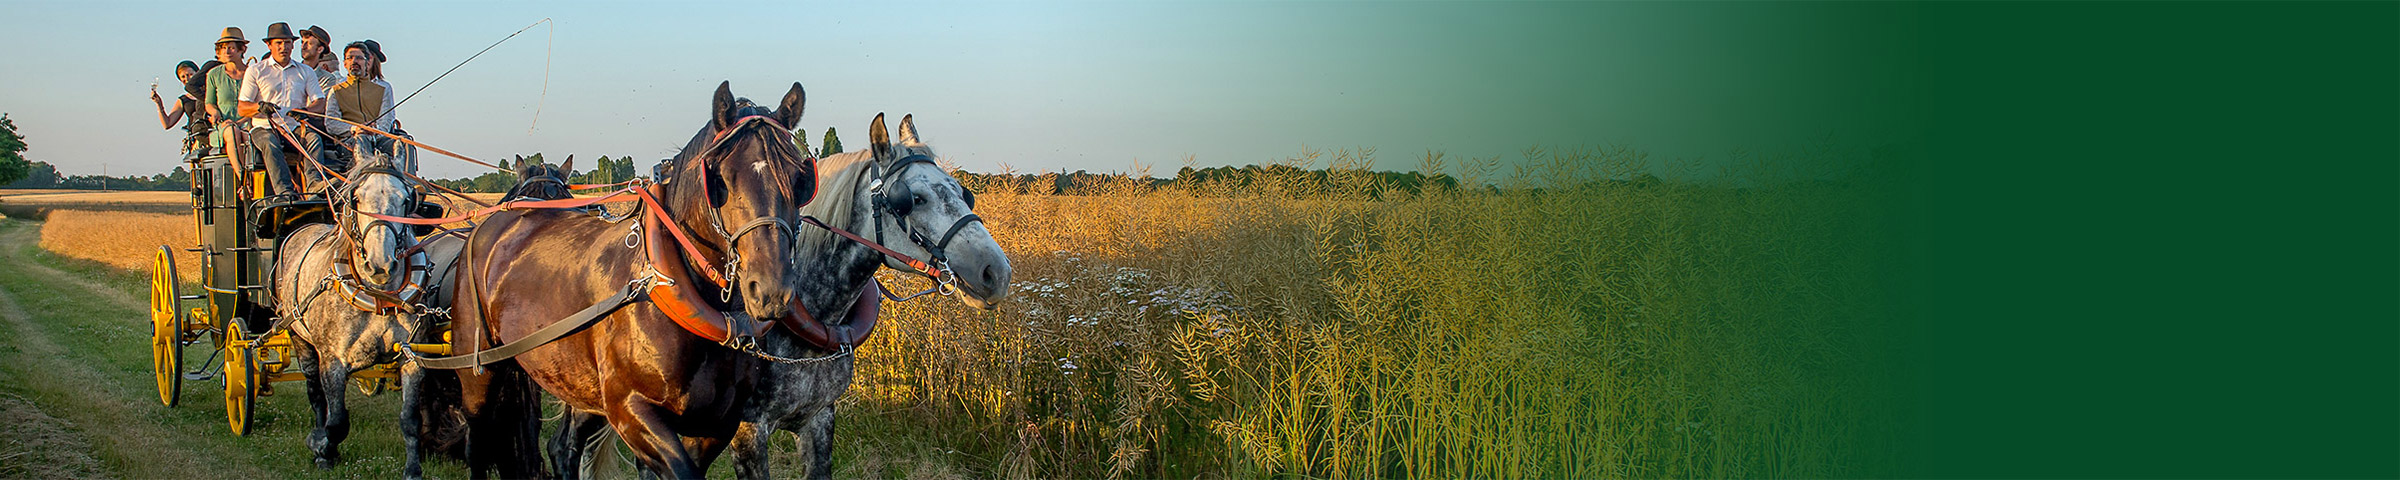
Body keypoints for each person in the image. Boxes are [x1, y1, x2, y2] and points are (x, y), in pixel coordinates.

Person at [238, 22, 327, 196]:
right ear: (269, 45)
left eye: (287, 43)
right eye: (279, 43)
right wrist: (260, 107)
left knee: (314, 139)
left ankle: (314, 183)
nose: (283, 47)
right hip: (264, 127)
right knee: (270, 144)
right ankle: (284, 191)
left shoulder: (306, 71)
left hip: (294, 128)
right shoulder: (256, 70)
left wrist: (305, 111)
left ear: (293, 45)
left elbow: (320, 102)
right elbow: (242, 107)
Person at [326, 39, 405, 170]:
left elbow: (387, 120)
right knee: (361, 139)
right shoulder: (336, 90)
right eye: (350, 58)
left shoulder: (382, 89)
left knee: (403, 144)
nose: (354, 61)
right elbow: (331, 124)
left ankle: (408, 183)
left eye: (359, 58)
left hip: (378, 139)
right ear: (344, 64)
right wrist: (355, 129)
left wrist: (374, 131)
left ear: (368, 62)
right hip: (349, 141)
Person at [202, 27, 249, 159]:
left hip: (248, 123)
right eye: (223, 48)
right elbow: (209, 103)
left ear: (242, 49)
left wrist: (242, 121)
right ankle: (241, 176)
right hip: (224, 125)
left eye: (231, 47)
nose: (227, 51)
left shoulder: (252, 73)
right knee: (233, 132)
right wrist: (214, 112)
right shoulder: (214, 74)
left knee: (249, 136)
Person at [150, 60, 210, 152]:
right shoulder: (183, 100)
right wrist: (159, 104)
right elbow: (167, 124)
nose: (187, 78)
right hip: (197, 138)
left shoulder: (209, 92)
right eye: (183, 76)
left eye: (190, 74)